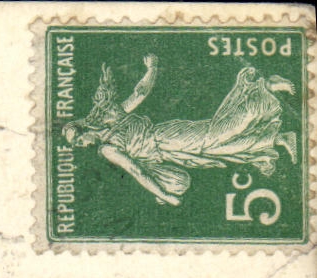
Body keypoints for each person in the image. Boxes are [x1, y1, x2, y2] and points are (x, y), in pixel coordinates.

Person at [63, 55, 298, 205]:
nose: (82, 145)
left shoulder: (110, 133)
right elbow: (142, 169)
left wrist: (152, 68)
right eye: (77, 145)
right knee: (219, 149)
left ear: (85, 129)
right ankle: (278, 138)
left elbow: (136, 169)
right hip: (169, 152)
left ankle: (264, 88)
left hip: (167, 137)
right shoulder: (106, 143)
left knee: (218, 135)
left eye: (79, 139)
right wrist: (163, 190)